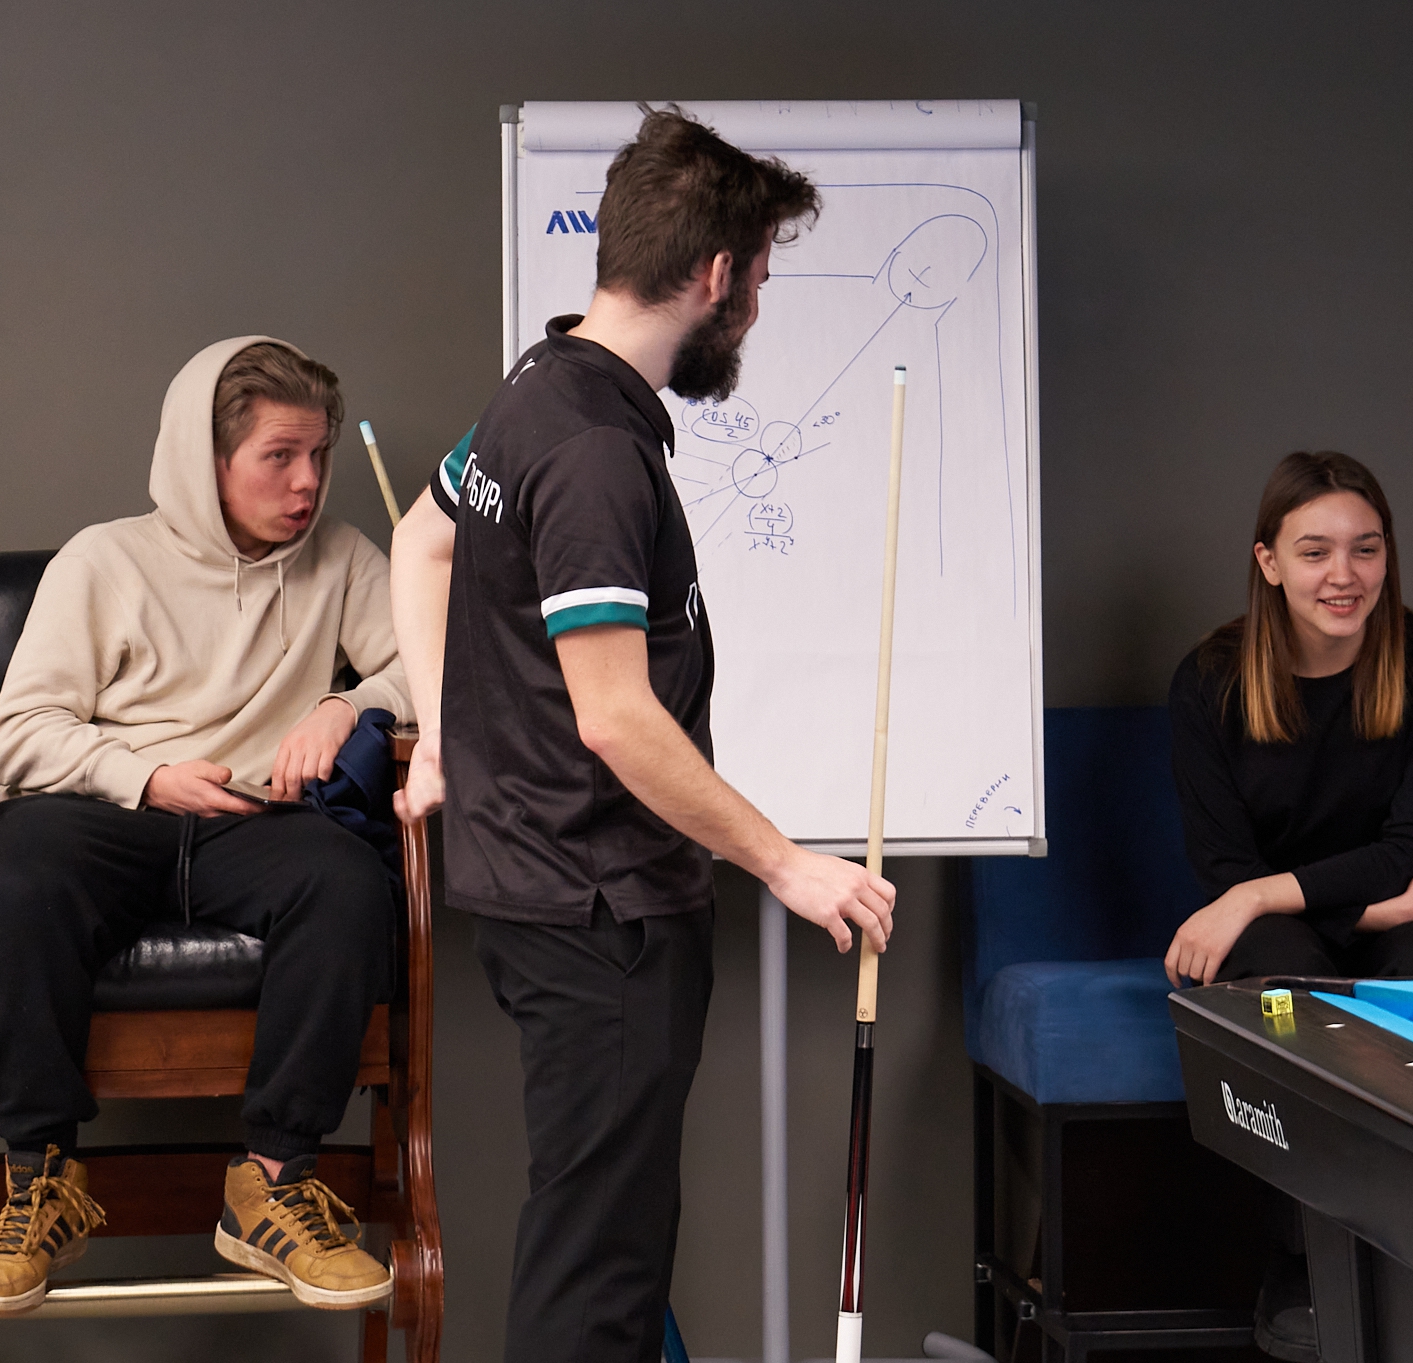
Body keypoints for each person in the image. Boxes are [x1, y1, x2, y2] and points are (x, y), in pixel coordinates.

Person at [386, 109, 896, 1363]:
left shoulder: (535, 388)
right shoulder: (595, 452)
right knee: (594, 1280)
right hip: (600, 911)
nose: (755, 313)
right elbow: (615, 718)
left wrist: (447, 733)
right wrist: (784, 863)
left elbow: (420, 537)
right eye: (759, 281)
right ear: (715, 275)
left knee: (599, 1244)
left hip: (541, 890)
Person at [0, 337, 409, 1317]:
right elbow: (17, 735)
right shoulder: (105, 559)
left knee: (344, 878)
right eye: (278, 456)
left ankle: (273, 1185)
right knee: (18, 869)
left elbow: (431, 666)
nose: (307, 481)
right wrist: (148, 776)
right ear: (208, 462)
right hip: (110, 810)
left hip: (254, 819)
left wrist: (349, 706)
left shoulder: (342, 556)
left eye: (318, 455)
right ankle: (40, 1180)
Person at [1165, 449, 1413, 1361]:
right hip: (1285, 937)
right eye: (1314, 551)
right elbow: (1225, 866)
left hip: (1388, 917)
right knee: (1286, 982)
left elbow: (1411, 845)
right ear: (1269, 561)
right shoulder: (1209, 681)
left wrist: (1265, 896)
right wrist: (1371, 908)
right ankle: (1304, 1255)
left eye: (1366, 548)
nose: (1343, 575)